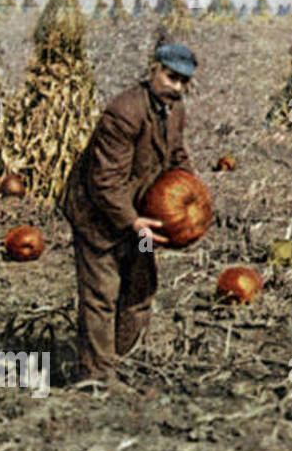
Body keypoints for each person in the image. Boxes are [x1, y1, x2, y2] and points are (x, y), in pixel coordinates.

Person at [59, 43, 198, 388]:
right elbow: (104, 181)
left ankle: (121, 360)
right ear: (153, 69)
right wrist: (132, 221)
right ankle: (93, 375)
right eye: (170, 77)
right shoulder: (123, 112)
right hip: (98, 216)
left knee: (141, 287)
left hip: (144, 218)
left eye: (184, 81)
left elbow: (176, 155)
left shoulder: (174, 109)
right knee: (102, 293)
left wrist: (192, 193)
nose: (176, 87)